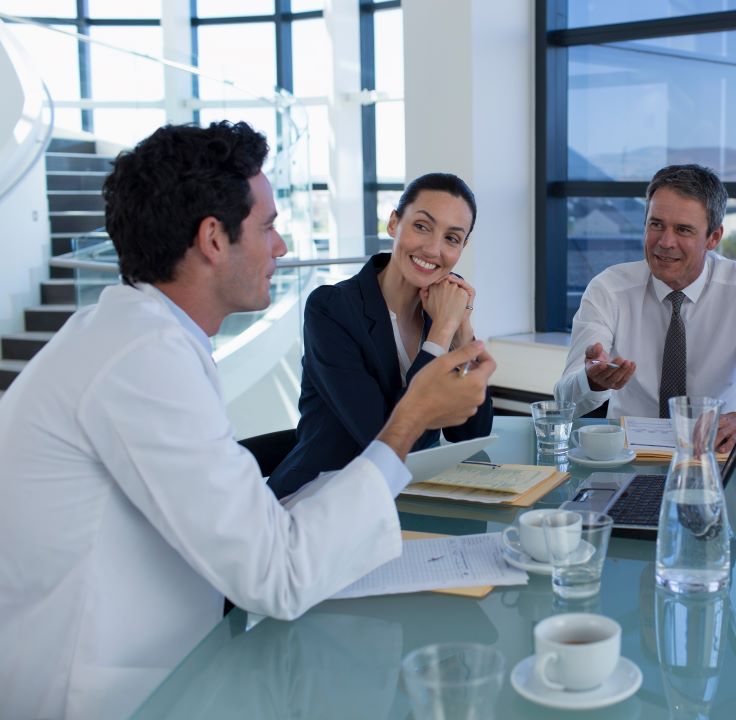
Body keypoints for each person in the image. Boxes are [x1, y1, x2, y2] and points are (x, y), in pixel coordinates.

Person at [0, 122, 495, 720]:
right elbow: (276, 575)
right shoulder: (143, 360)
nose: (282, 247)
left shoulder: (144, 339)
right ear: (213, 238)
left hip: (183, 658)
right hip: (115, 694)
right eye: (268, 227)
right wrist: (413, 414)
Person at [268, 173, 492, 497]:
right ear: (393, 224)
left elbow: (470, 433)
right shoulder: (332, 309)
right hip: (320, 498)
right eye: (421, 226)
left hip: (403, 498)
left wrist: (462, 332)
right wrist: (442, 333)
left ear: (462, 248)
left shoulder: (442, 307)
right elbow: (386, 441)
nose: (433, 249)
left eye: (452, 238)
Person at [554, 163, 736, 452]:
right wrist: (593, 383)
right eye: (656, 224)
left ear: (714, 238)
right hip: (625, 459)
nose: (665, 242)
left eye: (683, 230)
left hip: (712, 456)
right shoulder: (608, 288)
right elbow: (563, 401)